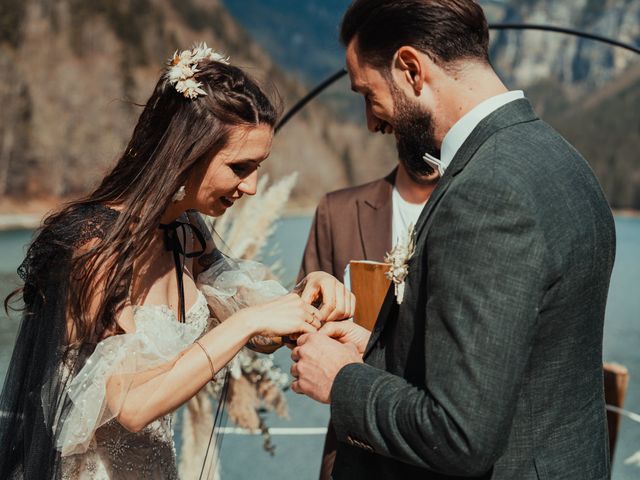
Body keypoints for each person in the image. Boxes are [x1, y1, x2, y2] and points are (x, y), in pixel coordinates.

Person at [290, 1, 616, 479]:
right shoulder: (560, 160)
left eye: (367, 93)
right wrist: (375, 350)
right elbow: (513, 359)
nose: (370, 122)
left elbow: (460, 435)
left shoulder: (486, 192)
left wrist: (343, 381)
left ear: (410, 70)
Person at [0, 43, 354, 479]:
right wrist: (245, 324)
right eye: (240, 167)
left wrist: (310, 292)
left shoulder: (187, 233)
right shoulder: (94, 244)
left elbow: (260, 328)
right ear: (185, 153)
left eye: (259, 167)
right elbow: (131, 406)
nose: (252, 188)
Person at [300, 160, 437, 480]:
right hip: (354, 455)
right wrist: (314, 289)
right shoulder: (338, 211)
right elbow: (301, 331)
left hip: (442, 452)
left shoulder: (478, 211)